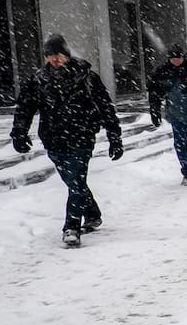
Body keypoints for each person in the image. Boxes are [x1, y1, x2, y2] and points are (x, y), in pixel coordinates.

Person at [9, 34, 124, 247]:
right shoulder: (38, 80)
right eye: (50, 55)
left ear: (66, 55)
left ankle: (71, 227)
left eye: (58, 55)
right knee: (73, 181)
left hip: (81, 135)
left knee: (76, 181)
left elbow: (105, 107)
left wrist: (114, 136)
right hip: (53, 138)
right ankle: (92, 213)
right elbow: (25, 108)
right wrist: (19, 133)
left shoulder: (86, 77)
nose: (54, 59)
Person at [149, 44, 187, 187]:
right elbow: (154, 93)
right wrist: (155, 112)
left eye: (178, 58)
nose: (175, 61)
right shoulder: (162, 72)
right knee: (179, 143)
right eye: (173, 58)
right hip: (175, 112)